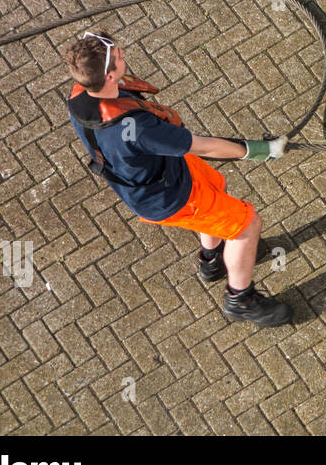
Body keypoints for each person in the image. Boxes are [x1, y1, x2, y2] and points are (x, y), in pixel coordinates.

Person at [64, 30, 292, 327]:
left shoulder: (79, 94)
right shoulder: (139, 128)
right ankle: (241, 300)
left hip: (167, 173)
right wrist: (261, 150)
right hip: (173, 196)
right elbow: (204, 145)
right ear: (108, 77)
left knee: (217, 188)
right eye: (119, 57)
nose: (124, 55)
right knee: (247, 225)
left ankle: (212, 260)